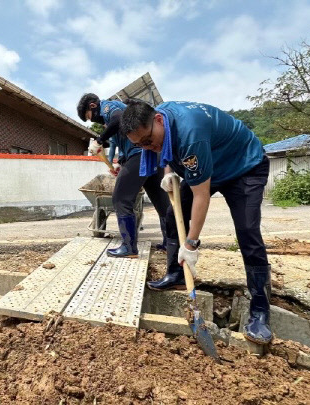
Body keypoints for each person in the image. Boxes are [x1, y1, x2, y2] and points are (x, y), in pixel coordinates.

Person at [120, 99, 272, 344]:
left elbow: (202, 196)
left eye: (147, 141)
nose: (148, 148)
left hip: (243, 167)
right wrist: (168, 172)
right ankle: (177, 275)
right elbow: (164, 147)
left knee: (247, 232)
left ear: (158, 120)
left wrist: (190, 245)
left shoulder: (191, 136)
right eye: (140, 145)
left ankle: (260, 311)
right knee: (172, 215)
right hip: (209, 162)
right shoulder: (161, 121)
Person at [77, 93, 169, 258]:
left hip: (140, 155)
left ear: (92, 106)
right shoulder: (110, 117)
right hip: (151, 155)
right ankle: (170, 243)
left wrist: (99, 140)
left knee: (120, 198)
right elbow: (123, 140)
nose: (91, 121)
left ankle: (129, 247)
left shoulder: (109, 107)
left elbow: (119, 119)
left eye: (89, 117)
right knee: (162, 203)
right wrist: (120, 163)